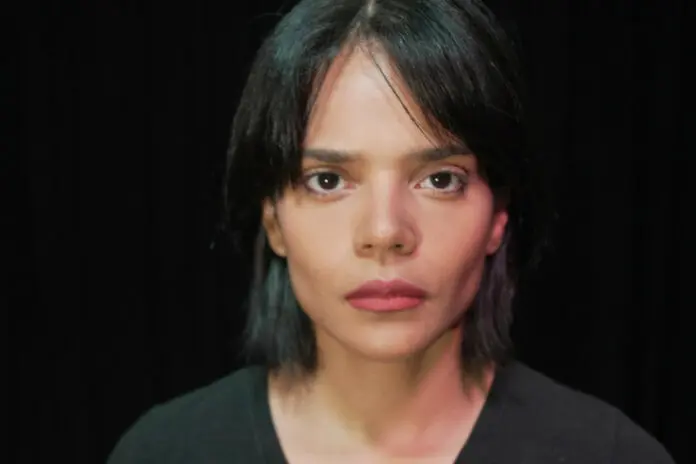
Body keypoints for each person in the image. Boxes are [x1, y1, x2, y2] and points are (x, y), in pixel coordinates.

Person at [107, 0, 675, 462]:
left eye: (440, 180)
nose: (384, 232)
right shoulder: (165, 452)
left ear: (498, 217)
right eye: (328, 180)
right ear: (273, 218)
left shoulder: (610, 454)